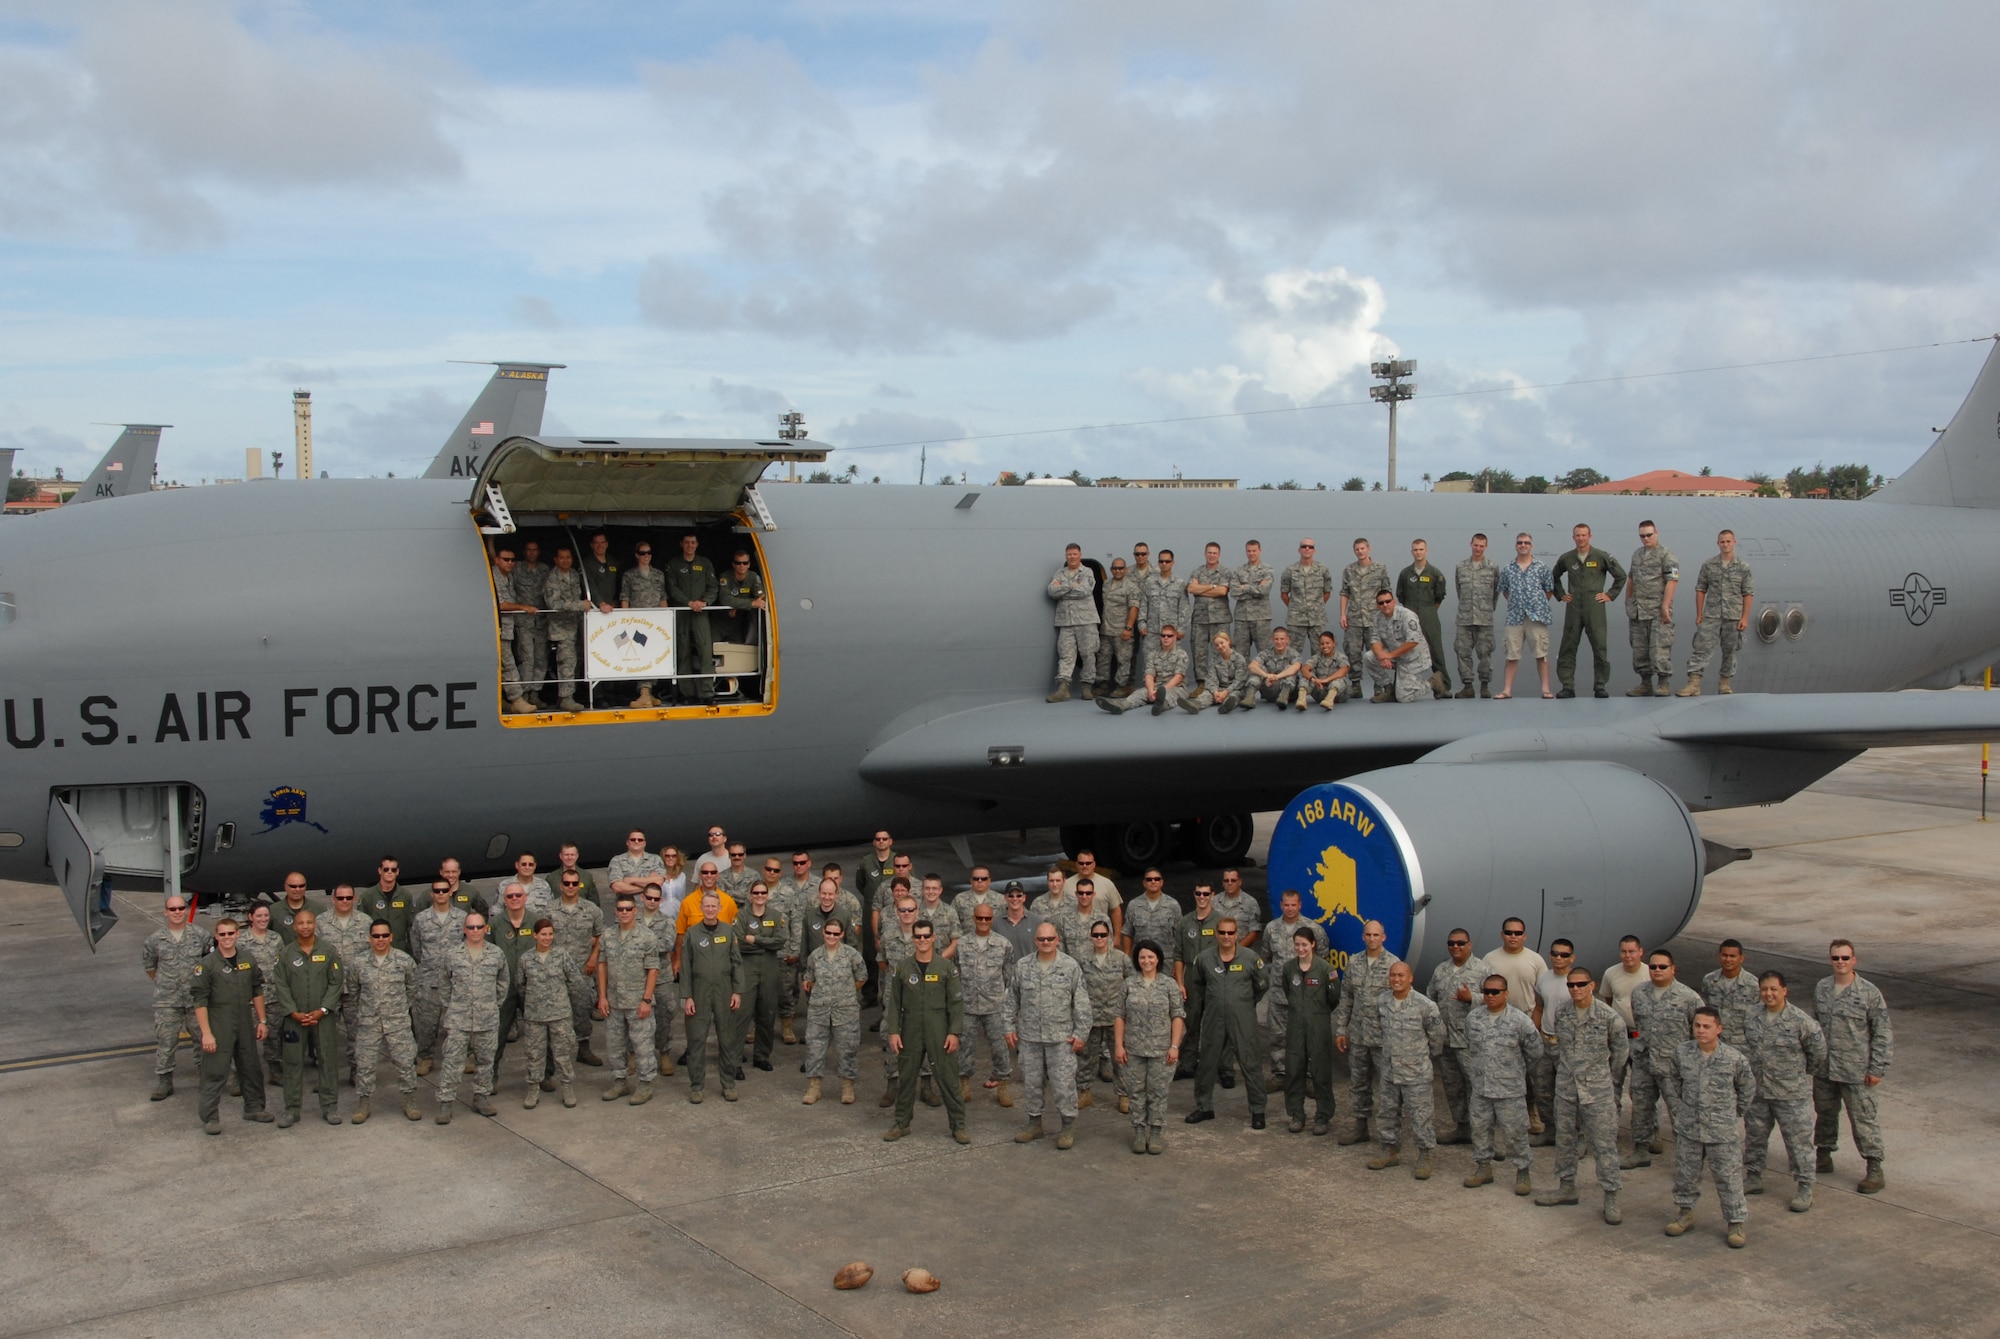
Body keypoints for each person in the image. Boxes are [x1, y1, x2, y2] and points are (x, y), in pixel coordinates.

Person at [1537, 970, 1631, 1222]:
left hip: (1597, 1091)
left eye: (1581, 984)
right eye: (1571, 985)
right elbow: (1562, 1045)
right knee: (1565, 1139)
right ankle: (1566, 1187)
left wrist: (1603, 1077)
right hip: (1567, 1087)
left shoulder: (1609, 1017)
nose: (1575, 989)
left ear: (1592, 985)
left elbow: (1620, 1054)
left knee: (1604, 1145)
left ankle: (1611, 1196)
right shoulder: (1563, 1012)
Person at [1662, 1007, 1757, 1247]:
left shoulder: (1734, 1058)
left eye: (1706, 1026)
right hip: (1690, 1128)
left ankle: (1735, 1222)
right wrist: (1679, 1110)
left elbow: (1747, 1089)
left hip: (1721, 1132)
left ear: (1719, 1029)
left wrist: (1733, 1113)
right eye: (1697, 1026)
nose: (1701, 1031)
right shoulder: (1682, 1053)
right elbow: (1672, 1082)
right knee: (1686, 1175)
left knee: (1729, 1178)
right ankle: (1685, 1213)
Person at [1743, 970, 1827, 1212]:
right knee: (1755, 1136)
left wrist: (1795, 1074)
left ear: (1784, 991)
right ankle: (1754, 1176)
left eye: (1773, 989)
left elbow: (1818, 1055)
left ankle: (1804, 1186)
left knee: (1798, 1142)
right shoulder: (1752, 1016)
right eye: (1764, 990)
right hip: (1759, 1091)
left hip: (1790, 1094)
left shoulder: (1802, 1022)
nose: (1768, 994)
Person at [1814, 938, 1893, 1194]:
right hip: (1825, 1068)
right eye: (1836, 958)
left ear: (1854, 960)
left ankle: (1874, 1167)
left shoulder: (1869, 993)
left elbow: (1882, 1032)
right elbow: (1815, 1027)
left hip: (1856, 1070)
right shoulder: (1822, 988)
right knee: (1824, 1113)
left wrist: (1876, 1068)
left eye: (1845, 958)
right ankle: (1823, 1155)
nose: (1840, 963)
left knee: (1863, 1120)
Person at [882, 917, 970, 1144]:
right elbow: (894, 1003)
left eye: (925, 936)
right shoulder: (902, 968)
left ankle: (958, 1125)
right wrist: (894, 1031)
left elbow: (956, 1003)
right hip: (910, 1030)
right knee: (907, 1078)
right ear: (913, 939)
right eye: (917, 936)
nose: (922, 940)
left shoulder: (946, 968)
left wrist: (954, 1032)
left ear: (933, 938)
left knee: (949, 1079)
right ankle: (901, 1123)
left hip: (938, 1029)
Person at [1005, 921, 1092, 1149]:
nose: (1046, 943)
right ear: (1035, 941)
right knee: (1032, 1084)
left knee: (1063, 1085)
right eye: (1041, 939)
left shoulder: (1070, 966)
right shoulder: (1023, 966)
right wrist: (1008, 1027)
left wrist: (1081, 1032)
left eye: (1050, 939)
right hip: (1030, 1038)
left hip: (1060, 1039)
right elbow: (1011, 999)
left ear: (1057, 940)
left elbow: (1082, 1002)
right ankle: (1035, 1124)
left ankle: (1067, 1126)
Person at [189, 918, 272, 1134]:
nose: (227, 938)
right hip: (219, 1021)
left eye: (230, 933)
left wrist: (262, 1021)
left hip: (244, 1019)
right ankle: (210, 1117)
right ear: (216, 937)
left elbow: (257, 990)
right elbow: (200, 1001)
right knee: (215, 1071)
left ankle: (254, 1108)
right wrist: (206, 1034)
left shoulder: (247, 959)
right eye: (222, 934)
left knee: (251, 1067)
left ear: (237, 934)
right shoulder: (207, 965)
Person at [1185, 917, 1268, 1129]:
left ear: (1237, 934)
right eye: (1222, 932)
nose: (1226, 937)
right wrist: (1218, 1002)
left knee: (1250, 1063)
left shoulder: (1250, 958)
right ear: (1216, 933)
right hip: (1214, 1018)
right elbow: (1199, 985)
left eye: (1230, 933)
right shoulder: (1204, 959)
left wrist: (1242, 1003)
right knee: (1207, 1062)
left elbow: (1261, 985)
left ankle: (1258, 1110)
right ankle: (1204, 1106)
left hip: (1243, 1019)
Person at [1626, 948, 1705, 1168]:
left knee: (1680, 1114)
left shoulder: (1688, 997)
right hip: (1644, 1062)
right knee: (1641, 1109)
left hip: (1674, 1067)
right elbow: (1638, 1023)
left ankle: (1687, 1159)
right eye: (1653, 967)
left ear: (1673, 969)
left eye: (1662, 967)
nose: (1657, 971)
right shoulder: (1639, 993)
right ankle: (1641, 1150)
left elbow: (1697, 1031)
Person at [1464, 975, 1542, 1196]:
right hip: (1481, 1087)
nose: (1490, 995)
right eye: (1486, 991)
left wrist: (1515, 1072)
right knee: (1480, 1130)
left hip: (1510, 1090)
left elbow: (1535, 1052)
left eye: (1495, 992)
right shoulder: (1474, 1018)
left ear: (1506, 993)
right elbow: (1472, 1046)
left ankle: (1522, 1171)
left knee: (1515, 1133)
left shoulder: (1520, 1021)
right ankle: (1483, 1167)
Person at [1367, 961, 1445, 1176]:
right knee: (1387, 1112)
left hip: (1416, 1072)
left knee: (1421, 1116)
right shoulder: (1382, 1002)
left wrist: (1423, 1056)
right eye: (1393, 975)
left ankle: (1424, 1155)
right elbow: (1380, 1028)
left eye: (1401, 976)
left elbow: (1437, 1036)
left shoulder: (1425, 1005)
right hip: (1390, 1070)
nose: (1396, 980)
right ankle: (1389, 1150)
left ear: (1410, 978)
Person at [433, 912, 510, 1122]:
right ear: (464, 930)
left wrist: (493, 1005)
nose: (475, 931)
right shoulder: (453, 955)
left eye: (479, 927)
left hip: (487, 1018)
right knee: (452, 1062)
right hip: (459, 1019)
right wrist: (454, 1006)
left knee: (485, 1061)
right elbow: (444, 984)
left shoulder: (496, 954)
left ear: (486, 929)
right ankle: (446, 1102)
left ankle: (481, 1098)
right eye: (471, 927)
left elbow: (503, 983)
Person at [270, 909, 343, 1127]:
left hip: (323, 1017)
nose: (305, 927)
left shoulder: (328, 951)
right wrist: (292, 1011)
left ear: (315, 925)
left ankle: (330, 1107)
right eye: (300, 923)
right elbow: (280, 985)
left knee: (328, 1061)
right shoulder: (285, 954)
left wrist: (323, 1010)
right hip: (294, 1018)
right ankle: (292, 1110)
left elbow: (336, 982)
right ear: (294, 927)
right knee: (293, 1063)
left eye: (309, 922)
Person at [1333, 919, 1401, 1143]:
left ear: (1384, 937)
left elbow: (1401, 1002)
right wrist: (1341, 1029)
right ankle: (1360, 1126)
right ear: (1363, 937)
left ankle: (1390, 1134)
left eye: (1376, 935)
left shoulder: (1394, 965)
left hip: (1384, 1038)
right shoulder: (1354, 963)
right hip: (1359, 1035)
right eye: (1368, 935)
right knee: (1359, 1082)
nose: (1372, 939)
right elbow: (1347, 998)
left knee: (1388, 1087)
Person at [348, 918, 421, 1124]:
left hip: (397, 1022)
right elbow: (353, 991)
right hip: (369, 1023)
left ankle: (410, 1100)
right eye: (376, 936)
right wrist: (367, 1011)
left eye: (384, 936)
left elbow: (412, 988)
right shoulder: (359, 963)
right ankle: (364, 1103)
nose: (380, 940)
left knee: (405, 1062)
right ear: (369, 938)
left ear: (391, 937)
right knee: (365, 1064)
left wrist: (398, 1009)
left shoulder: (404, 961)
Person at [143, 892, 213, 1100]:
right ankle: (165, 1081)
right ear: (166, 912)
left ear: (186, 910)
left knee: (202, 1040)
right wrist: (165, 984)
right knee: (166, 1041)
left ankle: (206, 1078)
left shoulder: (200, 936)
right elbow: (150, 967)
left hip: (195, 1000)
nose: (177, 912)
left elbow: (209, 964)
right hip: (167, 1000)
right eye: (172, 909)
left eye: (181, 908)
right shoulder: (155, 940)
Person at [1117, 941, 1185, 1153]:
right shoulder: (1129, 984)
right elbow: (1120, 1016)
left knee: (1158, 1092)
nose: (1146, 961)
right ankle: (1138, 1132)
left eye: (1151, 957)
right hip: (1134, 1049)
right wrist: (1119, 1045)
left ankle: (1155, 1133)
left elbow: (1177, 1016)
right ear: (1137, 960)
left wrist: (1174, 1045)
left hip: (1161, 1050)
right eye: (1142, 957)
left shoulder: (1168, 985)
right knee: (1135, 1092)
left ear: (1158, 959)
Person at [596, 895, 661, 1104]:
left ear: (636, 911)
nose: (624, 912)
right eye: (620, 909)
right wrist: (602, 996)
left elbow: (653, 969)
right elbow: (602, 965)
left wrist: (647, 999)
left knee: (642, 1046)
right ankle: (619, 1080)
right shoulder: (607, 935)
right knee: (615, 1045)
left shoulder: (647, 937)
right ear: (615, 912)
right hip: (614, 1001)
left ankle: (645, 1084)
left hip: (637, 1001)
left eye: (628, 909)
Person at [517, 919, 588, 1109]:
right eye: (543, 934)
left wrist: (566, 1003)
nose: (547, 938)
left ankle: (567, 1088)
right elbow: (521, 986)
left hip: (560, 1014)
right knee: (534, 1054)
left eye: (550, 934)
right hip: (535, 1016)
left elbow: (575, 982)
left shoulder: (561, 956)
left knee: (563, 1053)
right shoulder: (526, 959)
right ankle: (533, 1089)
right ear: (535, 935)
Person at [1550, 523, 1627, 698]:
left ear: (1590, 536)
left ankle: (1600, 686)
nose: (1581, 538)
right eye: (1577, 535)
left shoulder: (1601, 556)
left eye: (1584, 535)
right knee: (1568, 646)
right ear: (1573, 537)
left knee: (1600, 647)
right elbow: (1553, 577)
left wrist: (1609, 595)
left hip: (1595, 607)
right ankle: (1567, 686)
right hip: (1574, 607)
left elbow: (1621, 575)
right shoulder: (1567, 558)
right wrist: (1561, 594)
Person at [681, 891, 744, 1103]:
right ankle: (697, 1086)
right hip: (699, 990)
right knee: (696, 1038)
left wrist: (737, 991)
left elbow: (737, 963)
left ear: (719, 908)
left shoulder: (728, 931)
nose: (710, 909)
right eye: (706, 906)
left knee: (727, 1038)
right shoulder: (692, 933)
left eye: (713, 906)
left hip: (724, 989)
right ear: (701, 908)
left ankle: (728, 1084)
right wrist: (687, 997)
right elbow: (686, 968)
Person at [1676, 529, 1755, 696]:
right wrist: (1699, 614)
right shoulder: (1709, 565)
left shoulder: (1742, 567)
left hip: (1733, 616)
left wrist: (1745, 617)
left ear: (1734, 542)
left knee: (1730, 650)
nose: (1725, 544)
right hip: (1712, 614)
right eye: (1722, 541)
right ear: (1718, 543)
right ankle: (1694, 683)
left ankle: (1725, 683)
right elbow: (1700, 589)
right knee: (1701, 647)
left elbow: (1747, 593)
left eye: (1728, 541)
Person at [1425, 928, 1485, 1144]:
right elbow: (1430, 998)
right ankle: (1461, 1126)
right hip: (1447, 1040)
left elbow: (1496, 1000)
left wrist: (1472, 998)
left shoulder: (1482, 970)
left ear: (1470, 945)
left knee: (1476, 1087)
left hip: (1471, 1041)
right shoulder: (1441, 970)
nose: (1456, 947)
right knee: (1453, 1085)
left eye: (1460, 943)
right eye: (1451, 943)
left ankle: (1482, 1133)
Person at [956, 898, 1018, 1106]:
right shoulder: (962, 944)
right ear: (974, 919)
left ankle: (1002, 1086)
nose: (983, 921)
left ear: (992, 919)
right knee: (965, 1047)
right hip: (968, 1005)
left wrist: (1007, 1005)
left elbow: (1009, 977)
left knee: (1000, 1048)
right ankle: (963, 1083)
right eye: (980, 918)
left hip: (994, 1006)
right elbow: (955, 974)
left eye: (987, 918)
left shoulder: (1003, 945)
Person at [800, 919, 868, 1105]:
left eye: (835, 934)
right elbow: (810, 977)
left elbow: (862, 977)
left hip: (845, 1010)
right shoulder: (815, 956)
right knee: (815, 1049)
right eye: (828, 933)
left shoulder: (851, 955)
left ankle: (847, 1087)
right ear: (823, 933)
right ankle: (814, 1087)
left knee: (847, 1049)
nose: (831, 937)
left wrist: (845, 992)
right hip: (819, 1011)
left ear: (842, 935)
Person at [1261, 889, 1326, 1081]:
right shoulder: (1271, 928)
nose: (1290, 909)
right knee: (1278, 1035)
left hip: (1306, 996)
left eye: (1293, 905)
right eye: (1286, 905)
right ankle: (1280, 1073)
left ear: (1300, 905)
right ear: (1281, 905)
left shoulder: (1313, 929)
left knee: (1307, 1036)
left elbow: (1322, 958)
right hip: (1279, 994)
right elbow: (1266, 955)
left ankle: (1307, 1076)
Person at [1281, 928, 1340, 1136]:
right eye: (1297, 944)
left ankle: (1323, 1116)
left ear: (1313, 944)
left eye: (1304, 944)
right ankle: (1297, 1114)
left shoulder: (1326, 969)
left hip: (1318, 1027)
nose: (1300, 948)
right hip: (1295, 1027)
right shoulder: (1289, 969)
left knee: (1320, 1072)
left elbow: (1334, 998)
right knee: (1294, 1070)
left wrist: (1317, 1013)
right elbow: (1288, 992)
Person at [408, 880, 466, 1076]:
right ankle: (425, 1057)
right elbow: (416, 946)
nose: (441, 893)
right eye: (437, 891)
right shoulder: (422, 919)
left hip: (455, 979)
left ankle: (462, 1057)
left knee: (458, 1023)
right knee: (427, 1023)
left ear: (450, 892)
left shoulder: (461, 918)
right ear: (432, 894)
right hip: (429, 978)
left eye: (444, 890)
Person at [550, 868, 604, 1068]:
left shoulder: (591, 910)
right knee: (556, 1014)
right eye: (567, 883)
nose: (571, 887)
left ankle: (584, 1048)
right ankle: (557, 1053)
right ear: (561, 885)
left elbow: (600, 936)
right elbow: (542, 937)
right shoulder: (550, 910)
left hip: (582, 969)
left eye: (575, 884)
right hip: (556, 971)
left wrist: (593, 958)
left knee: (582, 1010)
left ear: (580, 886)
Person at [1077, 921, 1133, 1113]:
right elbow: (1076, 986)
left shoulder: (1121, 959)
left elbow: (1131, 983)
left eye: (1103, 935)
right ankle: (1084, 1092)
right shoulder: (1082, 959)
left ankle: (1124, 1095)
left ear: (1109, 936)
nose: (1099, 939)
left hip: (1114, 1018)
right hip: (1091, 1017)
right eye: (1096, 935)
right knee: (1086, 1057)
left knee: (1120, 1059)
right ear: (1091, 937)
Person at [1528, 940, 1579, 1145]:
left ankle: (1575, 1136)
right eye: (1555, 953)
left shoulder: (1576, 982)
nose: (1559, 958)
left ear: (1572, 958)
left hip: (1568, 1045)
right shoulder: (1544, 979)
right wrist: (1535, 1033)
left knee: (1569, 1094)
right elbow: (1539, 1007)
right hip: (1546, 1041)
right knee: (1542, 1090)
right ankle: (1550, 1131)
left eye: (1564, 955)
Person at [734, 883, 788, 1072]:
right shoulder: (741, 916)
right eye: (755, 893)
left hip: (769, 970)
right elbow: (739, 942)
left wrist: (755, 939)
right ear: (750, 895)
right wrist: (767, 944)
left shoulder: (775, 916)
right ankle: (735, 1059)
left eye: (763, 893)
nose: (759, 895)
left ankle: (761, 1055)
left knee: (767, 1014)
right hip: (747, 970)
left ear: (767, 895)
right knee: (742, 1015)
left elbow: (780, 941)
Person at [1495, 533, 1556, 699]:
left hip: (1537, 617)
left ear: (1532, 546)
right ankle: (1507, 690)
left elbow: (1549, 589)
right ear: (1516, 545)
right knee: (1511, 655)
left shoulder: (1541, 567)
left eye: (1527, 543)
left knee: (1541, 654)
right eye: (1520, 543)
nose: (1523, 545)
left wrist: (1535, 604)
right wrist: (1518, 603)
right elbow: (1504, 590)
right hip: (1514, 617)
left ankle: (1545, 689)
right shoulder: (1508, 569)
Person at [1624, 519, 1679, 696]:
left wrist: (1665, 606)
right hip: (1639, 611)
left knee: (1659, 648)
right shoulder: (1637, 555)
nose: (1646, 538)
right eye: (1642, 536)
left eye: (1649, 535)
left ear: (1656, 533)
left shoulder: (1666, 555)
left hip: (1657, 610)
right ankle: (1645, 684)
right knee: (1640, 649)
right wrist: (1628, 601)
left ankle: (1663, 683)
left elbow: (1672, 580)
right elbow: (1631, 578)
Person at [1173, 884, 1221, 1079]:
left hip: (1214, 976)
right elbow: (1178, 954)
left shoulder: (1220, 922)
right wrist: (1179, 982)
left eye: (1206, 894)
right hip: (1191, 975)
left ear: (1212, 895)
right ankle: (1188, 1064)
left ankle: (1219, 1067)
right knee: (1191, 1021)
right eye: (1198, 893)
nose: (1202, 897)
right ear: (1194, 895)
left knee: (1215, 1024)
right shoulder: (1185, 923)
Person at [666, 531, 720, 703]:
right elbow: (672, 588)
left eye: (693, 542)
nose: (690, 545)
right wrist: (688, 602)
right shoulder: (673, 564)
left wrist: (704, 602)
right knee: (683, 652)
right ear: (681, 544)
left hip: (700, 613)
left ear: (697, 545)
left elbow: (713, 587)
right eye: (687, 542)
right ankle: (686, 693)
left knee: (705, 651)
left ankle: (707, 693)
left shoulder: (705, 563)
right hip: (682, 612)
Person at [1395, 538, 1451, 697]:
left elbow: (1440, 596)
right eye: (1415, 549)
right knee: (1405, 650)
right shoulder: (1405, 573)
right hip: (1409, 614)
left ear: (1426, 551)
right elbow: (1401, 595)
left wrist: (1428, 611)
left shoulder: (1435, 573)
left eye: (1421, 549)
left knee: (1435, 650)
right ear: (1411, 551)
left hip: (1429, 614)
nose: (1418, 552)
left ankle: (1443, 687)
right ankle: (1399, 687)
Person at [1046, 542, 1099, 702]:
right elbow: (1051, 591)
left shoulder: (1087, 572)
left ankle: (1087, 687)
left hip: (1086, 621)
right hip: (1066, 621)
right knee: (1065, 654)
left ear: (1080, 555)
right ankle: (1063, 688)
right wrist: (1072, 585)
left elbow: (1085, 591)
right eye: (1069, 554)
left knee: (1088, 654)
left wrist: (1062, 587)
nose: (1072, 557)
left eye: (1075, 554)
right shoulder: (1060, 572)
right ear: (1066, 556)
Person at [1600, 935, 1648, 1108]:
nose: (1628, 956)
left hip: (1641, 1039)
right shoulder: (1611, 973)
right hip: (1618, 1038)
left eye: (1632, 951)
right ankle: (1612, 1126)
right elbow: (1608, 998)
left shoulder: (1650, 974)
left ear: (1640, 952)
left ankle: (1646, 1130)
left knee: (1642, 1088)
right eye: (1624, 952)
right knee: (1613, 1082)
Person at [1097, 625, 1191, 714]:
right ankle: (1121, 706)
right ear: (1160, 637)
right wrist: (1151, 691)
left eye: (1169, 636)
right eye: (1163, 635)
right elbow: (1149, 675)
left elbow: (1178, 677)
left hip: (1176, 688)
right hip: (1156, 686)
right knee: (1139, 693)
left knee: (1170, 695)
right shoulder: (1153, 654)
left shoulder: (1181, 654)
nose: (1166, 638)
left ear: (1175, 637)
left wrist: (1162, 690)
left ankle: (1161, 706)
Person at [241, 904, 287, 1082]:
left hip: (274, 995)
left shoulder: (276, 939)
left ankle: (275, 1069)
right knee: (245, 1038)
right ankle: (242, 1074)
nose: (263, 919)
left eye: (266, 915)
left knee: (274, 1035)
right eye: (258, 916)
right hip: (250, 997)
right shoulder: (242, 941)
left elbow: (282, 965)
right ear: (250, 917)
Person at [491, 546, 539, 714]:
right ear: (497, 560)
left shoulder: (508, 577)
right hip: (497, 629)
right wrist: (522, 606)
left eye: (512, 560)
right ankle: (517, 699)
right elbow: (501, 604)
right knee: (509, 665)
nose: (510, 563)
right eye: (506, 559)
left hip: (507, 628)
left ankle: (500, 698)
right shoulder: (495, 577)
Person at [542, 545, 591, 711]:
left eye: (568, 557)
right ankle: (565, 698)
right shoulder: (552, 578)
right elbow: (554, 603)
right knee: (567, 662)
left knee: (577, 662)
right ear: (556, 560)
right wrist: (580, 605)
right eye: (561, 557)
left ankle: (573, 694)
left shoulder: (574, 575)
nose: (565, 561)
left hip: (576, 625)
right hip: (561, 628)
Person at [1338, 538, 1392, 688]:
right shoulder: (1349, 570)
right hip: (1354, 619)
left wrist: (1387, 614)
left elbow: (1387, 593)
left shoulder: (1380, 569)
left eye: (1362, 548)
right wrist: (1342, 614)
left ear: (1369, 549)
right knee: (1352, 652)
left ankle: (1379, 686)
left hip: (1374, 619)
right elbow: (1344, 593)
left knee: (1375, 653)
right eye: (1357, 549)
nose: (1360, 552)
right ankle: (1355, 685)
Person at [1452, 533, 1500, 698]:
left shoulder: (1492, 567)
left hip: (1485, 618)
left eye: (1481, 546)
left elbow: (1495, 593)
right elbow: (1459, 591)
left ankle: (1485, 686)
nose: (1478, 548)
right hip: (1464, 618)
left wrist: (1486, 609)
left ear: (1486, 546)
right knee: (1462, 652)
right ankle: (1467, 686)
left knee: (1485, 652)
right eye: (1476, 545)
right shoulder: (1461, 567)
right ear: (1470, 544)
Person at [1364, 589, 1431, 704]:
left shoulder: (1407, 615)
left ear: (1394, 602)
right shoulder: (1378, 617)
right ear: (1377, 605)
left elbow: (1413, 641)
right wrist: (1382, 656)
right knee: (1369, 657)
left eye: (1388, 601)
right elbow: (1375, 640)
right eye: (1381, 603)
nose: (1385, 605)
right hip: (1396, 656)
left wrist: (1389, 655)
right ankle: (1389, 689)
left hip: (1414, 659)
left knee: (1403, 698)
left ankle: (1433, 683)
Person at [1185, 542, 1234, 687]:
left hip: (1220, 619)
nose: (1211, 555)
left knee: (1221, 651)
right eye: (1209, 553)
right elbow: (1191, 589)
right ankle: (1202, 684)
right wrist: (1212, 586)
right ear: (1205, 554)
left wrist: (1201, 588)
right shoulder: (1197, 571)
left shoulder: (1225, 572)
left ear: (1219, 555)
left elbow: (1223, 591)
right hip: (1200, 619)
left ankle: (1223, 683)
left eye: (1214, 553)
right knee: (1199, 652)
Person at [1279, 538, 1334, 656]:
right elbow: (1284, 593)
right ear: (1299, 550)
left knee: (1321, 652)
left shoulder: (1322, 570)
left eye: (1310, 547)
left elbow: (1327, 592)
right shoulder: (1290, 570)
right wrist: (1295, 607)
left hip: (1317, 619)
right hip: (1296, 620)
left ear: (1315, 550)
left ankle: (1317, 675)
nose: (1307, 549)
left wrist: (1316, 606)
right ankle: (1292, 675)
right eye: (1304, 546)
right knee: (1292, 653)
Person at [513, 538, 551, 705]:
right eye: (529, 550)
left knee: (541, 658)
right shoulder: (517, 568)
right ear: (524, 552)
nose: (532, 553)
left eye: (535, 550)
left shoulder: (545, 569)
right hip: (524, 622)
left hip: (542, 621)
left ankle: (536, 693)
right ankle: (525, 693)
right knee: (527, 659)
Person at [1701, 939, 1760, 1045]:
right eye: (1725, 955)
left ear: (1741, 958)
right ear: (1719, 956)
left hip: (1741, 1045)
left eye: (1733, 956)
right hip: (1714, 1043)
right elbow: (1705, 1011)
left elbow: (1758, 1018)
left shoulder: (1753, 985)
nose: (1728, 959)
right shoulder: (1709, 980)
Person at [1096, 556, 1141, 695]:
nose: (1117, 571)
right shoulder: (1106, 584)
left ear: (1126, 570)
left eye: (1121, 568)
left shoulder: (1132, 586)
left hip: (1122, 630)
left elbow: (1134, 608)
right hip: (1106, 630)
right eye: (1115, 568)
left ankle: (1122, 687)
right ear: (1111, 569)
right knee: (1103, 659)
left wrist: (1128, 628)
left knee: (1124, 660)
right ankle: (1102, 686)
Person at [1138, 549, 1186, 671]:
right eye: (1161, 561)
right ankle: (1150, 688)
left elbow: (1184, 608)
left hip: (1171, 632)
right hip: (1152, 631)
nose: (1164, 564)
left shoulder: (1179, 583)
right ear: (1158, 563)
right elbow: (1144, 604)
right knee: (1149, 662)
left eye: (1167, 561)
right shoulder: (1149, 582)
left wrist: (1181, 628)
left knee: (1173, 662)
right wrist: (1141, 623)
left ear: (1172, 563)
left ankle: (1170, 689)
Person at [1229, 539, 1275, 661]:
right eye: (1249, 551)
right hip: (1242, 618)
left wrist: (1245, 587)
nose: (1251, 553)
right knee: (1240, 654)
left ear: (1260, 551)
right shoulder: (1239, 571)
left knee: (1265, 652)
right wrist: (1256, 589)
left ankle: (1265, 679)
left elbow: (1264, 590)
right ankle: (1241, 680)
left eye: (1254, 550)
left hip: (1261, 618)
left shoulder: (1267, 570)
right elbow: (1234, 592)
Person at [1247, 626, 1304, 708]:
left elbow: (1296, 667)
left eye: (1282, 639)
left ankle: (1284, 697)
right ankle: (1249, 697)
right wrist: (1266, 675)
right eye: (1276, 639)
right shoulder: (1266, 653)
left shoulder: (1294, 654)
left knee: (1290, 669)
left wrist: (1277, 677)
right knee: (1258, 670)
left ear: (1287, 640)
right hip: (1270, 690)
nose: (1279, 642)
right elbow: (1252, 666)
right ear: (1272, 640)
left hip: (1290, 694)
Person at [1299, 629, 1351, 710]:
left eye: (1328, 643)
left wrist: (1326, 680)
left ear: (1334, 643)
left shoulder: (1340, 657)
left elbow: (1344, 669)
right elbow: (1305, 669)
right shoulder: (1317, 657)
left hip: (1339, 695)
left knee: (1340, 678)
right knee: (1308, 675)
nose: (1325, 646)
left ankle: (1329, 700)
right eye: (1322, 644)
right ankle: (1301, 700)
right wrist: (1313, 679)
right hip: (1321, 692)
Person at [607, 830, 665, 901]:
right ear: (627, 842)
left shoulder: (655, 859)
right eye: (633, 839)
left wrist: (630, 880)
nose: (636, 841)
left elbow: (659, 880)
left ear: (645, 843)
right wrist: (648, 887)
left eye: (640, 840)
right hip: (626, 909)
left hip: (649, 908)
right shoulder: (617, 860)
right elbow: (617, 887)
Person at [271, 872, 324, 940]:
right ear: (285, 887)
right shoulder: (273, 911)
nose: (297, 889)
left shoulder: (319, 910)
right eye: (293, 886)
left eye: (301, 886)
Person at [995, 881, 1038, 962]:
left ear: (1024, 897)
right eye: (1011, 896)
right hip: (1005, 973)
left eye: (1019, 895)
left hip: (1030, 972)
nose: (1015, 899)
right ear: (1005, 898)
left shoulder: (1037, 921)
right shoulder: (995, 923)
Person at [579, 530, 620, 615]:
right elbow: (589, 585)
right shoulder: (587, 564)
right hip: (594, 609)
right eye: (596, 543)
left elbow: (619, 582)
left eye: (602, 542)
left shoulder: (613, 562)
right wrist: (600, 603)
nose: (600, 545)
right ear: (592, 545)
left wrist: (616, 601)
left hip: (612, 608)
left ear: (607, 544)